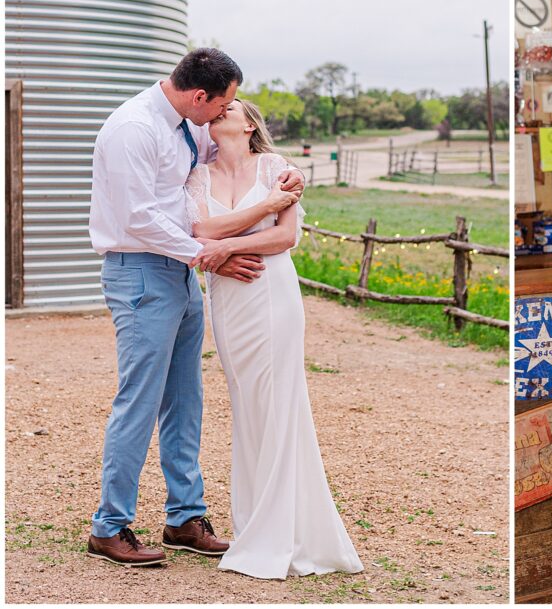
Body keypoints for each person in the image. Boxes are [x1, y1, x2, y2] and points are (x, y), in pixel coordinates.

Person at [87, 48, 305, 566]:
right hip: (140, 270)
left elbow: (247, 154)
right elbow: (137, 217)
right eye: (224, 104)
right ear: (200, 96)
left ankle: (184, 517)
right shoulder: (132, 129)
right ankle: (109, 526)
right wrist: (211, 256)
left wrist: (292, 175)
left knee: (186, 400)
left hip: (181, 273)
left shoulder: (189, 124)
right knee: (139, 399)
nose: (224, 115)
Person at [184, 99, 364, 579]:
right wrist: (261, 210)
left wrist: (227, 245)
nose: (223, 112)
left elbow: (286, 239)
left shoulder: (278, 168)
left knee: (281, 402)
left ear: (250, 125)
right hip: (228, 298)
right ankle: (253, 525)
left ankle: (286, 532)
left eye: (233, 108)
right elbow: (199, 228)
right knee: (246, 404)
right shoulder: (198, 176)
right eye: (217, 108)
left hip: (273, 291)